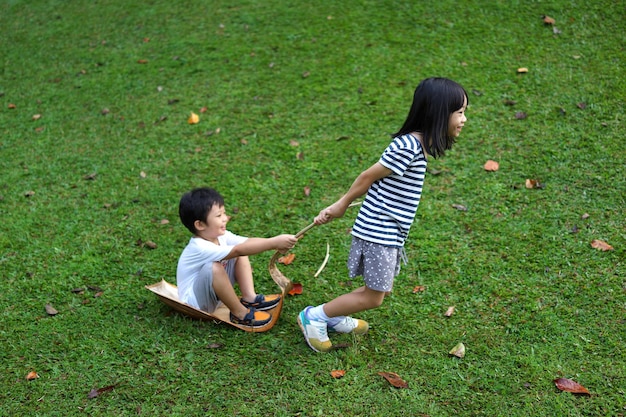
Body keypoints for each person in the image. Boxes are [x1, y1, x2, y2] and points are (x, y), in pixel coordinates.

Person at [297, 77, 469, 352]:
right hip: (378, 231)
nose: (464, 119)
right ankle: (316, 316)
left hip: (389, 231)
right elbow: (367, 176)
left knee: (380, 290)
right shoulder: (407, 147)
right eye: (459, 112)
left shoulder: (417, 147)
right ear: (438, 112)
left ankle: (332, 315)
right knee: (375, 297)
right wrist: (340, 205)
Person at [177, 187, 298, 328]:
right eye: (218, 216)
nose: (225, 218)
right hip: (196, 303)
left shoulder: (221, 236)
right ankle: (239, 313)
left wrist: (275, 243)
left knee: (241, 252)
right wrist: (273, 242)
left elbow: (246, 243)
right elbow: (238, 249)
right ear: (200, 224)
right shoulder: (199, 247)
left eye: (224, 213)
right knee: (215, 267)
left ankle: (250, 298)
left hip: (213, 295)